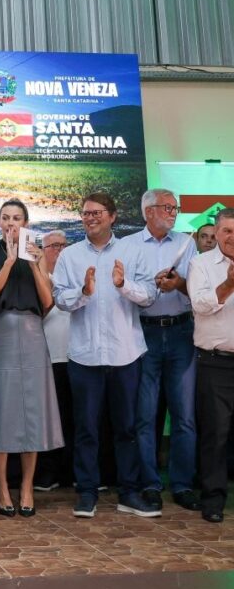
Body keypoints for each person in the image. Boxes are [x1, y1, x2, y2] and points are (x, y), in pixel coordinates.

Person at [53, 192, 160, 519]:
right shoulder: (70, 256)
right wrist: (84, 292)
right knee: (86, 429)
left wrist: (123, 284)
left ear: (112, 216)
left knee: (127, 428)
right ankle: (87, 493)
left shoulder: (133, 251)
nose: (90, 218)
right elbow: (60, 299)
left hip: (125, 355)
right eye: (86, 213)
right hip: (84, 357)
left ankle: (129, 492)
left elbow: (149, 296)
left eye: (97, 213)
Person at [0, 199, 63, 518]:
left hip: (32, 333)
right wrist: (9, 261)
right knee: (3, 410)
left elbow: (47, 302)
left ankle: (27, 486)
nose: (11, 223)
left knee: (32, 411)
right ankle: (2, 487)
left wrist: (32, 262)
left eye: (17, 218)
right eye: (6, 218)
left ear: (26, 223)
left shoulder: (37, 255)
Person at [122, 189, 199, 512]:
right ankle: (150, 483)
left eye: (174, 207)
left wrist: (178, 284)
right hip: (145, 333)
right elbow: (122, 290)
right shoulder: (127, 246)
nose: (173, 212)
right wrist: (151, 287)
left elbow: (198, 288)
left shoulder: (186, 243)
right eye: (167, 207)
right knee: (145, 415)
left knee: (184, 415)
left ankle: (182, 485)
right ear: (148, 211)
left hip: (182, 332)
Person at [187, 208, 234, 523]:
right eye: (227, 230)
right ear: (216, 233)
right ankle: (213, 500)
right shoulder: (201, 264)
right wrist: (228, 285)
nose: (232, 237)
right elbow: (200, 305)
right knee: (215, 434)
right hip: (216, 363)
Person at [34, 230, 75, 491]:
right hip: (47, 357)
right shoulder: (37, 279)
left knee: (74, 418)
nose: (59, 250)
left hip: (75, 356)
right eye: (53, 246)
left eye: (63, 245)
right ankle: (48, 472)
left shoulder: (74, 277)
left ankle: (72, 472)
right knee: (50, 419)